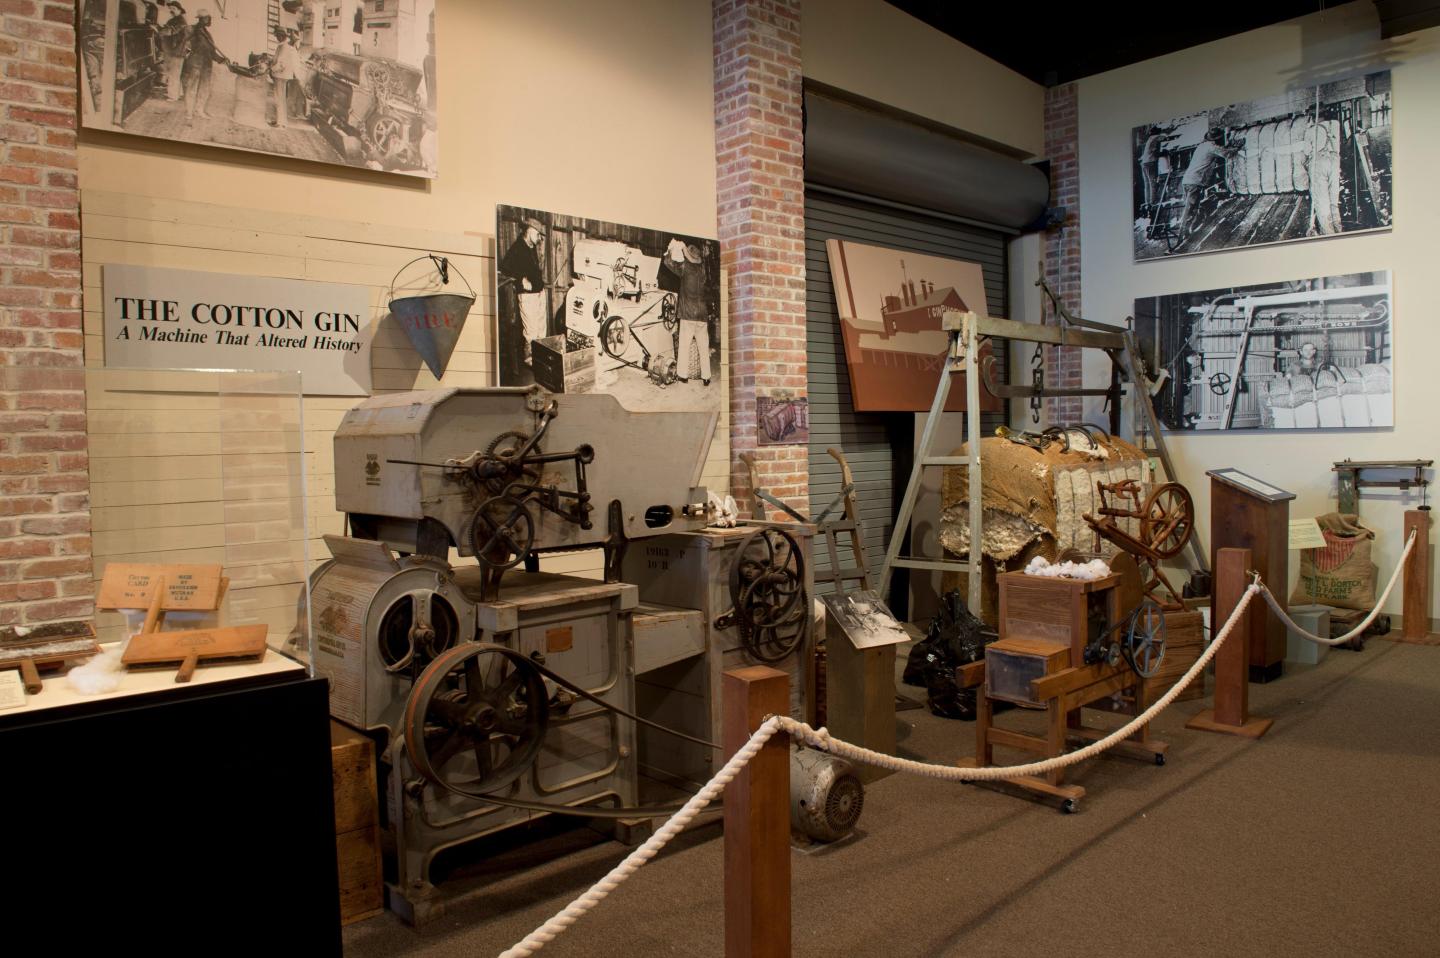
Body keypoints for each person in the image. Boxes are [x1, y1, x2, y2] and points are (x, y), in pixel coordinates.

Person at [661, 239, 712, 385]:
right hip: (702, 314)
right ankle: (706, 377)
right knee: (703, 347)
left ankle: (683, 376)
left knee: (684, 345)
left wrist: (671, 250)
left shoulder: (685, 267)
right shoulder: (703, 269)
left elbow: (668, 263)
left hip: (688, 314)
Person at [499, 218, 547, 367]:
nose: (539, 239)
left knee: (541, 331)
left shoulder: (531, 247)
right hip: (527, 296)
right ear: (530, 230)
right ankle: (531, 362)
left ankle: (540, 360)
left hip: (539, 292)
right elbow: (504, 268)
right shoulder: (517, 247)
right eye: (538, 234)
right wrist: (520, 279)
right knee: (531, 332)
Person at [1177, 127, 1239, 240]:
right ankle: (1182, 234)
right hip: (1195, 181)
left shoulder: (1202, 146)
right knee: (1190, 208)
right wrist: (1237, 147)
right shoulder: (1212, 147)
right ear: (1217, 139)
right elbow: (1227, 154)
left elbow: (1220, 150)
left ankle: (1186, 231)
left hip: (1188, 180)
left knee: (1191, 207)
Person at [181, 8, 229, 121]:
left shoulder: (207, 34)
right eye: (208, 18)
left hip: (206, 65)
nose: (210, 20)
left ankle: (199, 110)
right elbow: (185, 46)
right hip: (195, 64)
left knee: (205, 88)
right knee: (191, 88)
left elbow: (211, 52)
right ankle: (189, 112)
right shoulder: (191, 29)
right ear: (201, 19)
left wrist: (222, 59)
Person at [1309, 120, 1342, 235]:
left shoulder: (1311, 130)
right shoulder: (1334, 125)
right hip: (1334, 160)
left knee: (1322, 204)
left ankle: (1329, 236)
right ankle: (1338, 232)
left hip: (1319, 162)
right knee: (1333, 203)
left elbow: (1306, 150)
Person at [268, 27, 302, 128]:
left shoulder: (284, 47)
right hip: (281, 75)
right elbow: (278, 60)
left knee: (279, 99)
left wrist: (272, 69)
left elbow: (281, 64)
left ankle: (280, 123)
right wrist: (272, 62)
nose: (276, 38)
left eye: (278, 36)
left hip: (280, 76)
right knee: (280, 99)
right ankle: (281, 121)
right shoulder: (283, 46)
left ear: (282, 36)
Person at [157, 2, 188, 101]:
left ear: (180, 10)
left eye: (174, 8)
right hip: (174, 50)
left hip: (176, 51)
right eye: (170, 8)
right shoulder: (175, 20)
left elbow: (170, 31)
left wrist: (158, 30)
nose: (171, 10)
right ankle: (178, 93)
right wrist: (159, 27)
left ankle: (173, 96)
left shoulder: (181, 21)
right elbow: (168, 29)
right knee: (176, 73)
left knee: (173, 74)